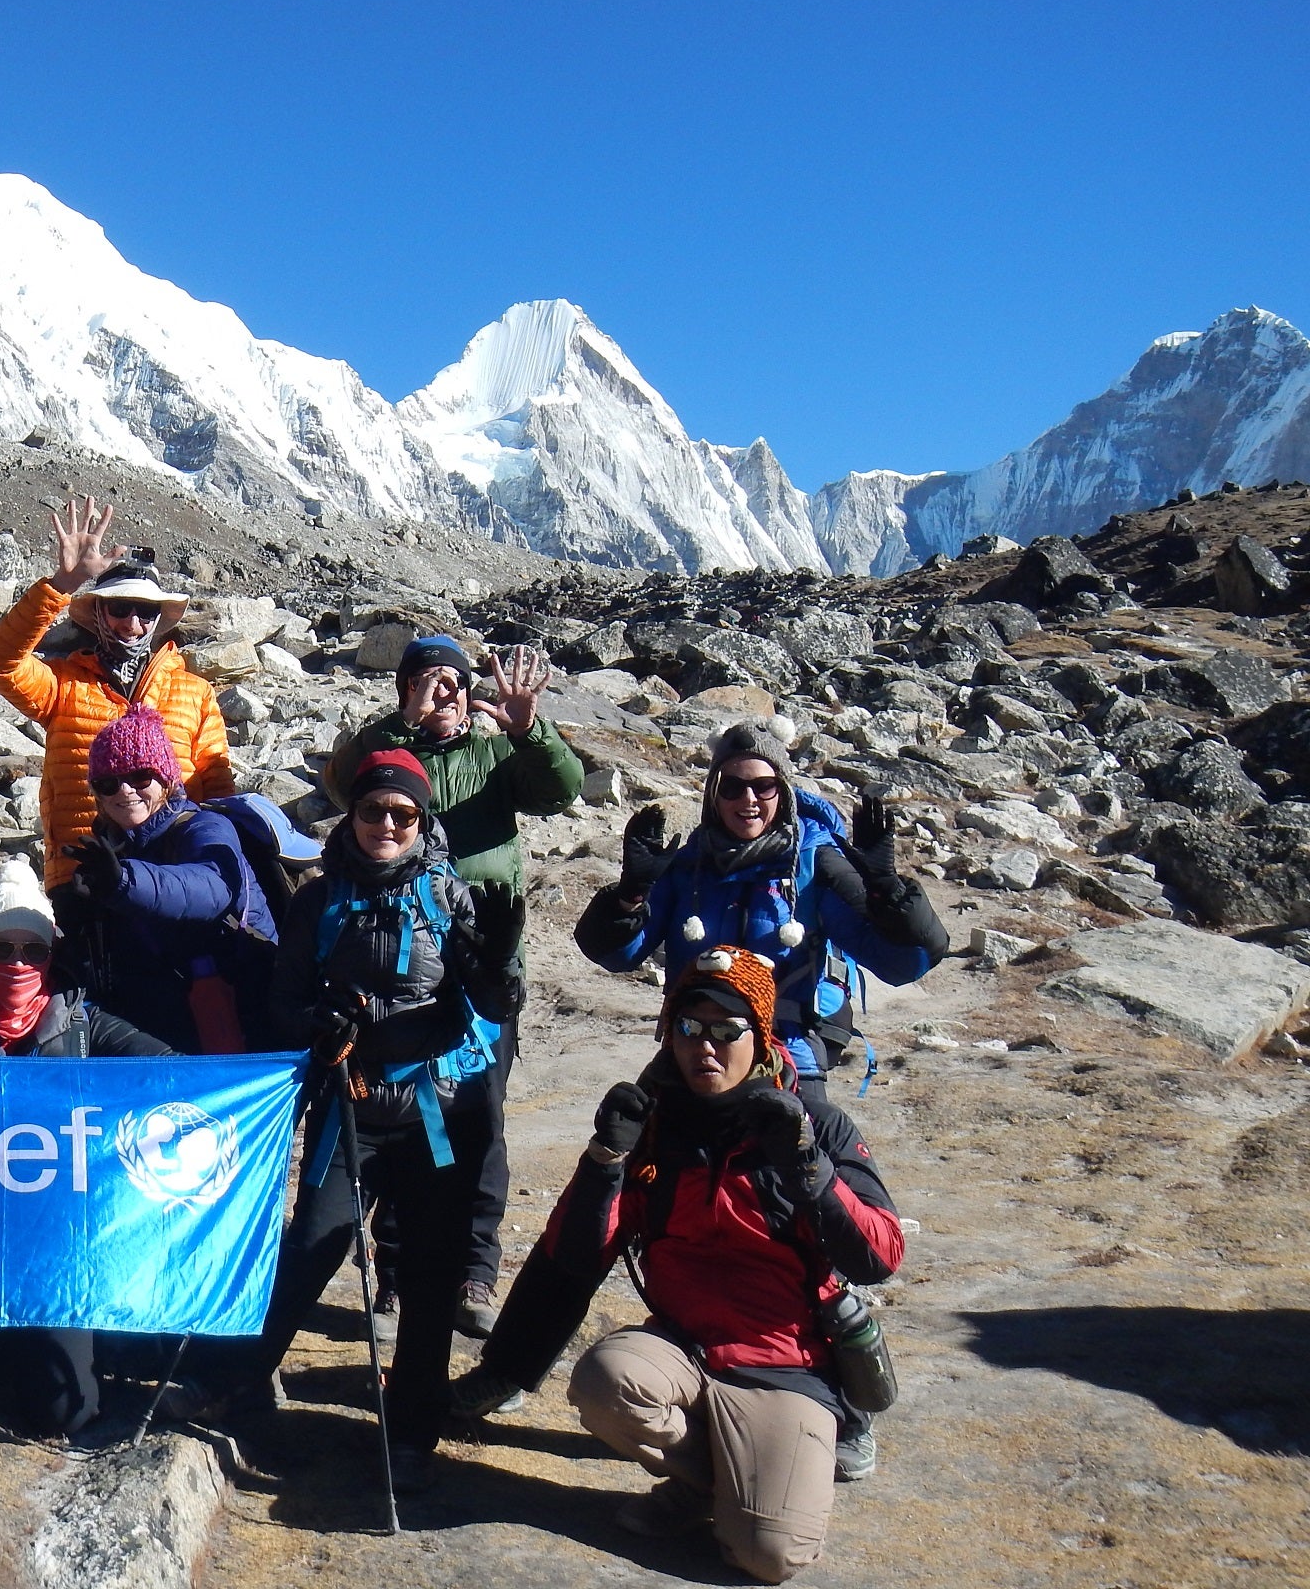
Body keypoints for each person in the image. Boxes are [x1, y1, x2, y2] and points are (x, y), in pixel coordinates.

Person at [473, 948, 903, 1582]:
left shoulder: (818, 1125)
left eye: (728, 1030)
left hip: (787, 1362)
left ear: (760, 1038)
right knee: (604, 1381)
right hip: (686, 1348)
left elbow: (879, 1255)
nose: (706, 1046)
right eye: (689, 1028)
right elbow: (574, 1257)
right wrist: (602, 1163)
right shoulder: (653, 1127)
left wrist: (809, 1166)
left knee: (770, 1556)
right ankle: (710, 1485)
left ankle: (754, 1480)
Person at [169, 749, 500, 1488]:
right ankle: (238, 1378)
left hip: (431, 1109)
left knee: (428, 1270)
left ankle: (412, 1430)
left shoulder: (450, 898)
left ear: (422, 822)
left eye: (403, 814)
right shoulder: (319, 899)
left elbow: (485, 1008)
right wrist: (321, 1024)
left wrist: (477, 976)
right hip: (348, 1103)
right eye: (374, 809)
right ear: (351, 814)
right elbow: (286, 999)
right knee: (311, 1247)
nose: (387, 824)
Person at [325, 636, 584, 1336]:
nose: (444, 692)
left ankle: (474, 1269)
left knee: (478, 1116)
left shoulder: (494, 748)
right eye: (426, 680)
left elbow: (562, 789)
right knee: (404, 1117)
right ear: (404, 688)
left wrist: (530, 727)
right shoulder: (391, 750)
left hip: (483, 968)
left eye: (454, 681)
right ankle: (398, 1278)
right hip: (402, 969)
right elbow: (339, 782)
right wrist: (402, 724)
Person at [0, 860, 172, 1436]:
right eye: (1, 949)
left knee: (63, 1414)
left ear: (52, 953)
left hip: (49, 1240)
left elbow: (173, 1074)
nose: (18, 963)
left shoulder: (83, 1024)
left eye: (33, 950)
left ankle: (10, 1345)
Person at [575, 720, 948, 1100]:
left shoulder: (814, 864)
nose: (748, 799)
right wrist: (630, 895)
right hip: (693, 1055)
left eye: (763, 786)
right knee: (625, 1137)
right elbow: (615, 956)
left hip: (786, 1056)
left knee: (814, 1154)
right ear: (713, 796)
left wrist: (888, 888)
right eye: (732, 787)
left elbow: (904, 963)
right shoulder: (688, 866)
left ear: (783, 792)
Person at [0, 495, 232, 888]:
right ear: (98, 614)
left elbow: (218, 796)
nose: (132, 622)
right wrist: (63, 584)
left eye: (145, 611)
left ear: (158, 620)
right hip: (82, 873)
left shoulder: (195, 694)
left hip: (174, 876)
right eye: (120, 608)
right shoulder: (63, 685)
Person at [57, 703, 277, 1052]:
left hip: (235, 1013)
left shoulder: (204, 827)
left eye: (140, 777)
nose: (125, 791)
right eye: (108, 783)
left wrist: (124, 883)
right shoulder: (106, 851)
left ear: (167, 780)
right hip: (155, 1020)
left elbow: (213, 888)